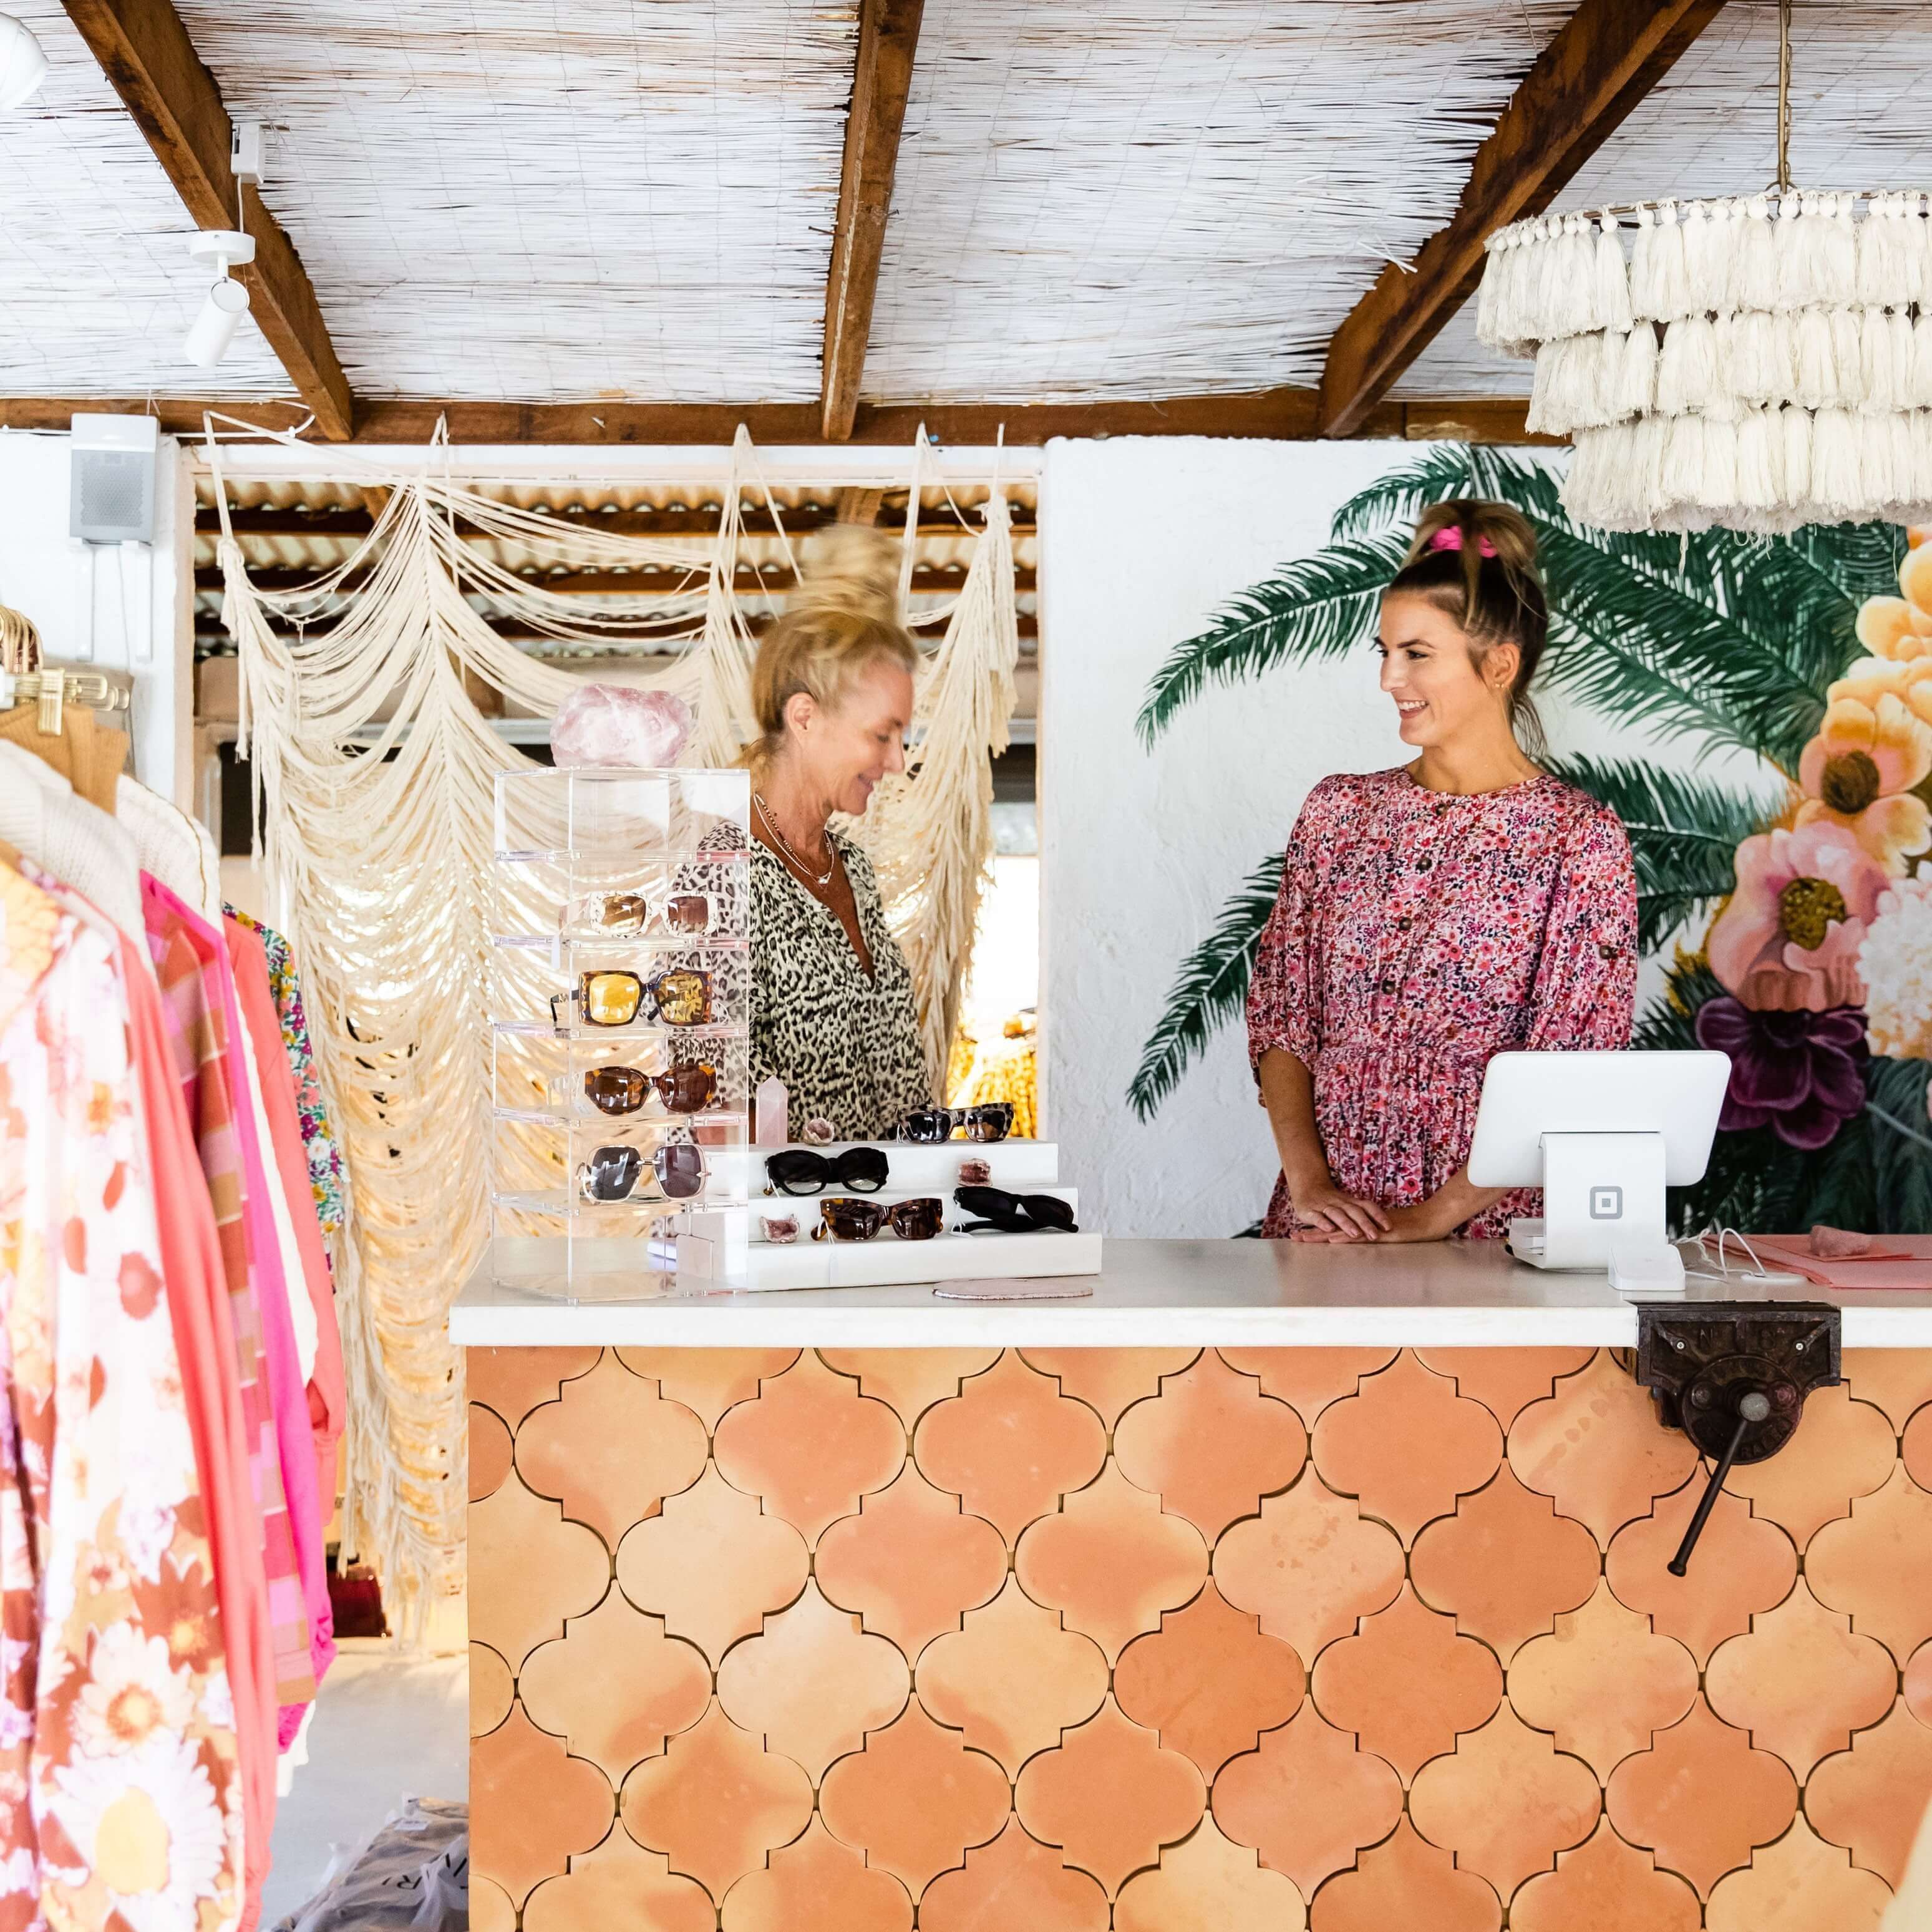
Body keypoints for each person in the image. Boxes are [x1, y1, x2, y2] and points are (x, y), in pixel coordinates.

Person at [1245, 499, 1638, 1243]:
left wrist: (1432, 1217)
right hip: (1326, 1227)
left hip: (1488, 1236)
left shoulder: (1577, 839)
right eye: (1383, 651)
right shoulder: (1339, 812)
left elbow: (1571, 1068)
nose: (1389, 678)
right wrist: (1309, 1182)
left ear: (1498, 664)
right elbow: (1282, 1016)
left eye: (1417, 653)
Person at [735, 530, 935, 1138]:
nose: (897, 760)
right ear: (804, 717)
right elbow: (707, 1098)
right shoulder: (718, 876)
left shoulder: (848, 863)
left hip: (890, 1219)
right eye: (882, 735)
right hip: (789, 1226)